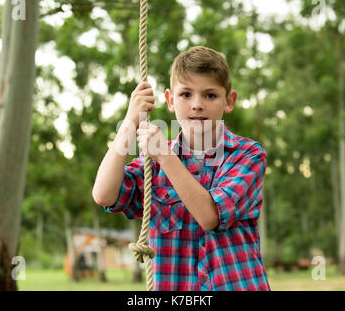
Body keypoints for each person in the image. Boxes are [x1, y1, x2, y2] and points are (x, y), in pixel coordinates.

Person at [92, 46, 270, 291]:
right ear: (170, 100)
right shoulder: (152, 161)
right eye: (186, 94)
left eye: (210, 95)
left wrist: (165, 157)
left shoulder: (247, 154)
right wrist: (130, 122)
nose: (197, 105)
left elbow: (210, 217)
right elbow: (104, 194)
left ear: (229, 101)